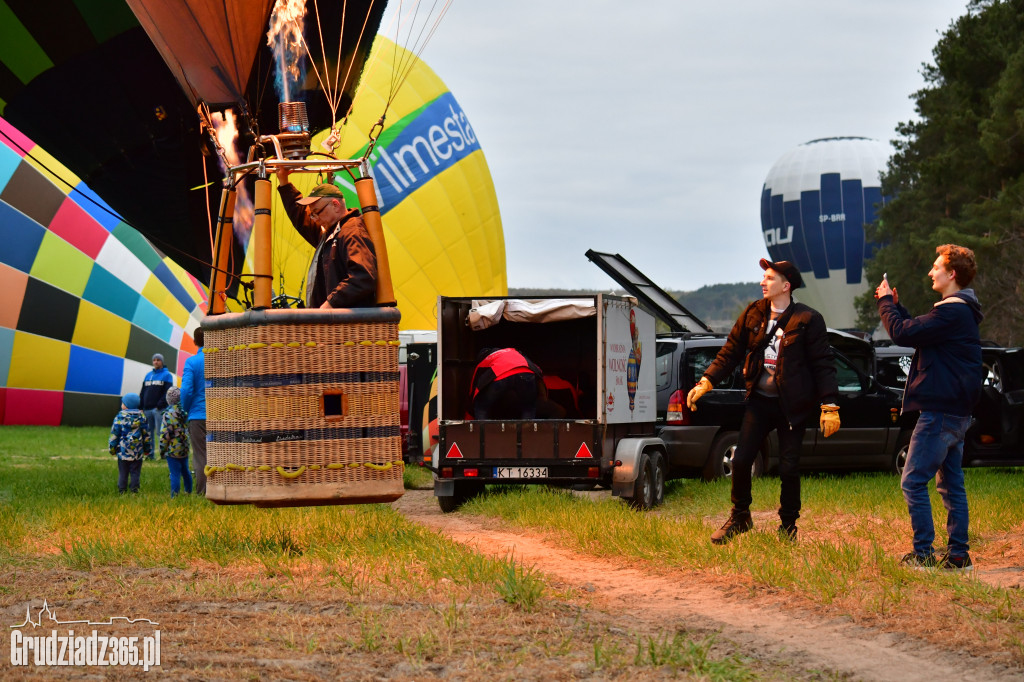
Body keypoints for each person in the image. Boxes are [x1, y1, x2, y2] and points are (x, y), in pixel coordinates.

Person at [688, 259, 840, 544]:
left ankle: (788, 526)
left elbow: (823, 364)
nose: (763, 282)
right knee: (741, 459)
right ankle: (740, 517)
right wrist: (706, 380)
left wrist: (829, 405)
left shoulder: (808, 319)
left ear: (786, 285)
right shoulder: (754, 312)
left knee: (789, 467)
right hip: (759, 402)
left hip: (792, 406)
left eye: (769, 278)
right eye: (763, 277)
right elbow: (731, 351)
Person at [875, 244, 983, 571]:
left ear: (952, 274)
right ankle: (959, 556)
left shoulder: (952, 312)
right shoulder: (960, 312)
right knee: (951, 485)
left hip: (939, 413)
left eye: (936, 267)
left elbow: (901, 332)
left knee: (912, 481)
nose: (930, 272)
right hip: (955, 411)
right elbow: (919, 332)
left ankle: (923, 555)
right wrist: (897, 306)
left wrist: (885, 303)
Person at [277, 169, 378, 308]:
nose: (314, 219)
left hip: (346, 319)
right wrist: (284, 182)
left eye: (316, 212)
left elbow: (363, 276)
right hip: (329, 318)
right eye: (312, 214)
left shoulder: (352, 232)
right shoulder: (331, 232)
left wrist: (331, 303)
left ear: (335, 205)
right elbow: (300, 216)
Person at [469, 348, 544, 420]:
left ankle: (482, 428)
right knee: (529, 408)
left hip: (501, 374)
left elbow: (476, 379)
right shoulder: (515, 352)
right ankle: (527, 428)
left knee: (481, 407)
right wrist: (543, 393)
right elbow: (537, 369)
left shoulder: (486, 358)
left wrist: (473, 400)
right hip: (525, 372)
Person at [180, 328, 208, 496]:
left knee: (200, 455)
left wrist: (186, 408)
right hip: (221, 415)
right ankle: (224, 488)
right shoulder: (221, 360)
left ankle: (204, 491)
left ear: (195, 341)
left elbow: (186, 391)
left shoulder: (191, 362)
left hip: (198, 416)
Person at [109, 392, 151, 494]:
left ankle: (122, 489)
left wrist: (112, 449)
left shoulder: (119, 417)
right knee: (135, 472)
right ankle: (134, 489)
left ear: (127, 405)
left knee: (123, 472)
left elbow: (114, 434)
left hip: (123, 451)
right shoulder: (142, 417)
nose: (121, 405)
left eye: (123, 403)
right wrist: (147, 449)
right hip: (137, 451)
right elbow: (146, 435)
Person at [140, 352, 174, 460]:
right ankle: (150, 455)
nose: (156, 362)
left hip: (159, 409)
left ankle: (164, 455)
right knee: (148, 433)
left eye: (158, 360)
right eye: (154, 360)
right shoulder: (148, 375)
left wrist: (159, 405)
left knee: (161, 433)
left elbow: (167, 392)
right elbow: (143, 391)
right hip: (147, 409)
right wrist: (141, 406)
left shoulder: (167, 375)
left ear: (162, 362)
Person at [160, 386, 193, 498]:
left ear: (168, 399)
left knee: (174, 473)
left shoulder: (168, 414)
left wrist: (162, 449)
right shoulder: (185, 411)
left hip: (173, 449)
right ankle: (188, 491)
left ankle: (175, 496)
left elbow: (165, 434)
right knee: (185, 471)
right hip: (184, 447)